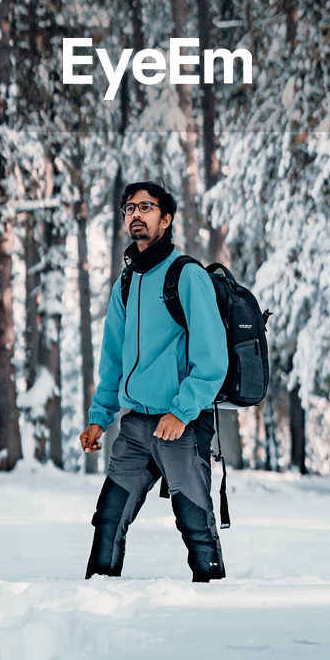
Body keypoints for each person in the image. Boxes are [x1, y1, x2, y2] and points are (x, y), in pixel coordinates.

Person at [80, 180, 228, 582]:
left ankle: (214, 596)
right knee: (109, 517)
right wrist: (100, 416)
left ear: (166, 219)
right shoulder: (126, 283)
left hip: (180, 425)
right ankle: (94, 599)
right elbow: (113, 360)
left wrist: (181, 412)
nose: (136, 215)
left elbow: (212, 358)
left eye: (146, 208)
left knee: (194, 520)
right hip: (135, 426)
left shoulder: (187, 276)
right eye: (129, 209)